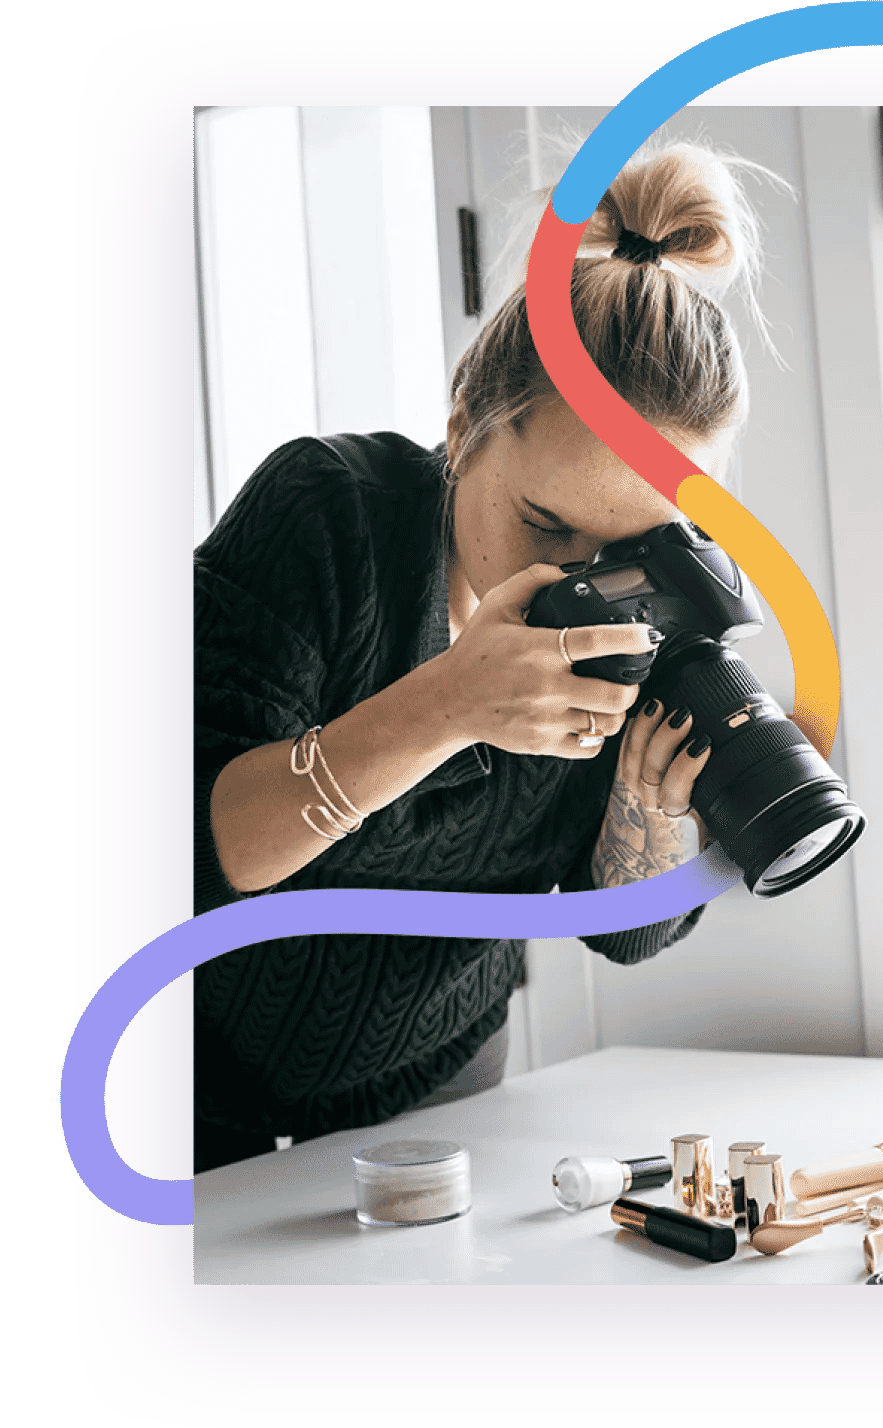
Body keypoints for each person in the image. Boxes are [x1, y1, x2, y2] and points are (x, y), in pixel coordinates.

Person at [194, 140, 775, 1173]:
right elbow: (210, 853)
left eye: (630, 549)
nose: (582, 585)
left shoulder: (659, 605)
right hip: (201, 1096)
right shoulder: (329, 518)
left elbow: (628, 933)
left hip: (445, 1091)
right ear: (466, 422)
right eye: (545, 523)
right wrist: (447, 705)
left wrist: (649, 816)